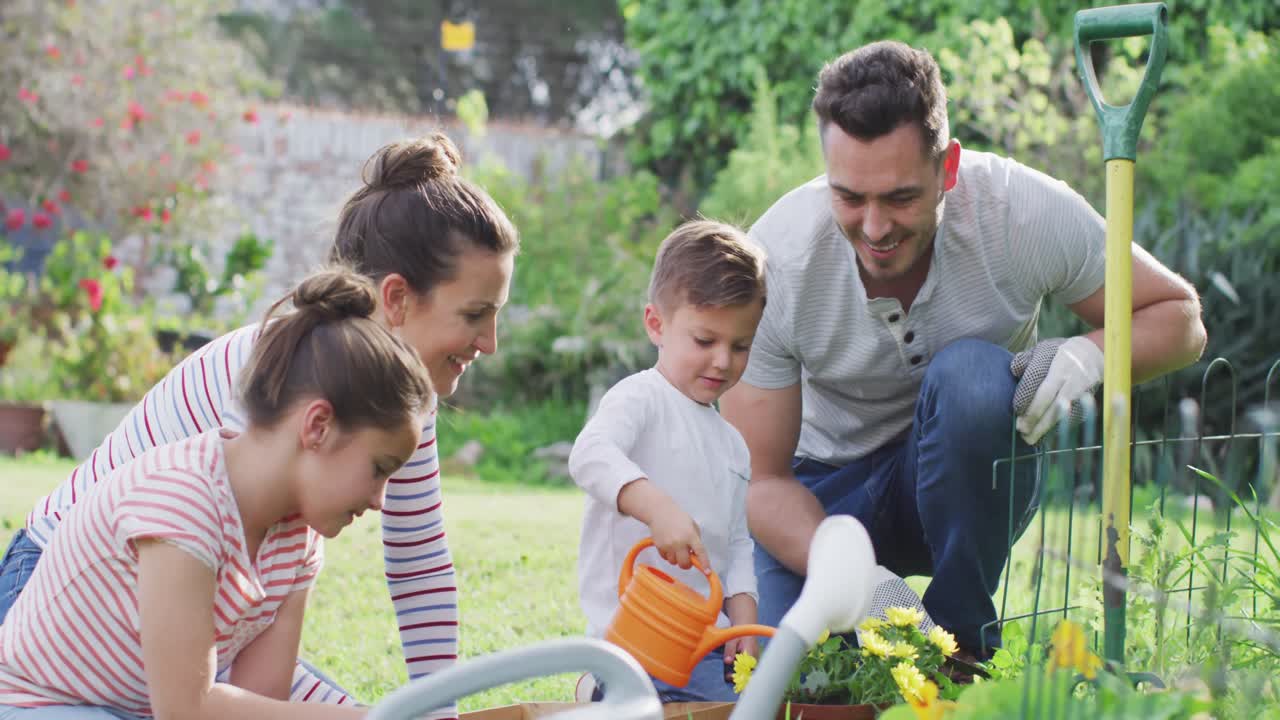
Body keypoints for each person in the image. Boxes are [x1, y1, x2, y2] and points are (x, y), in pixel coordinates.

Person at [0, 133, 518, 720]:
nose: (490, 343)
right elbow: (194, 698)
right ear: (397, 298)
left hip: (180, 626)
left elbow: (417, 561)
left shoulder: (395, 404)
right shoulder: (279, 384)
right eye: (475, 314)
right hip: (64, 611)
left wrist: (433, 714)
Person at [718, 40, 1207, 659]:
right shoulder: (779, 261)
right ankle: (866, 618)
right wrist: (852, 574)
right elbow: (762, 481)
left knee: (975, 377)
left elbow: (1181, 318)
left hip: (967, 482)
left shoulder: (1020, 213)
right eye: (849, 197)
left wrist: (1093, 353)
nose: (874, 228)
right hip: (823, 499)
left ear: (947, 167)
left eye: (900, 197)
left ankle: (960, 651)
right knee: (787, 671)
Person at [0, 267, 434, 719]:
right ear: (317, 426)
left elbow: (260, 704)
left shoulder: (298, 541)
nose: (380, 500)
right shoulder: (184, 502)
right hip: (41, 705)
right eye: (379, 469)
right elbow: (189, 712)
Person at [569, 220, 768, 703]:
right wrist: (656, 508)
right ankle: (600, 687)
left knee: (768, 695)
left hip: (704, 639)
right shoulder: (641, 398)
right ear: (657, 324)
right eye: (705, 341)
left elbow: (738, 543)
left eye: (740, 346)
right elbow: (590, 455)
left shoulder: (731, 444)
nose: (723, 360)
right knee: (719, 704)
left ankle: (600, 693)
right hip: (635, 640)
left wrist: (743, 621)